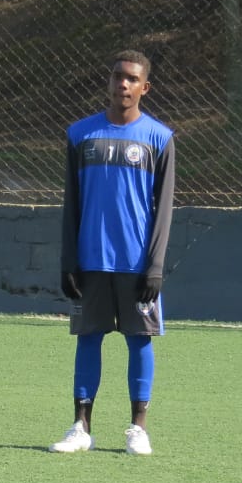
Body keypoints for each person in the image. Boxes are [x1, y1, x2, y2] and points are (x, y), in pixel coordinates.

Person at [50, 49, 175, 457]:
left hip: (137, 263)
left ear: (145, 87)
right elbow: (72, 203)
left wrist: (155, 266)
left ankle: (138, 429)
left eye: (132, 79)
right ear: (109, 81)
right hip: (91, 261)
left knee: (140, 342)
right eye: (117, 76)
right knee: (88, 339)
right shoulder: (79, 135)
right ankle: (81, 427)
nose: (123, 84)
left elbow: (165, 209)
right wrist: (69, 259)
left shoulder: (159, 138)